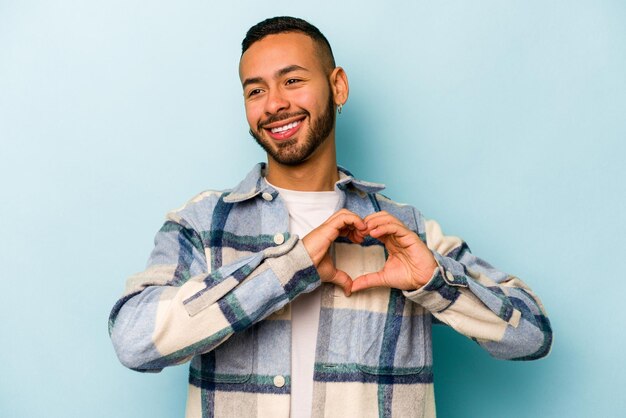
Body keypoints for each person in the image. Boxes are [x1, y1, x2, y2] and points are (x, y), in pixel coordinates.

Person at [109, 16, 552, 418]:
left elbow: (531, 334)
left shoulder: (408, 232)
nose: (274, 104)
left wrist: (434, 281)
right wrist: (288, 269)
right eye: (256, 90)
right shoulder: (202, 224)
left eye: (293, 80)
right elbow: (133, 340)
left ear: (337, 86)